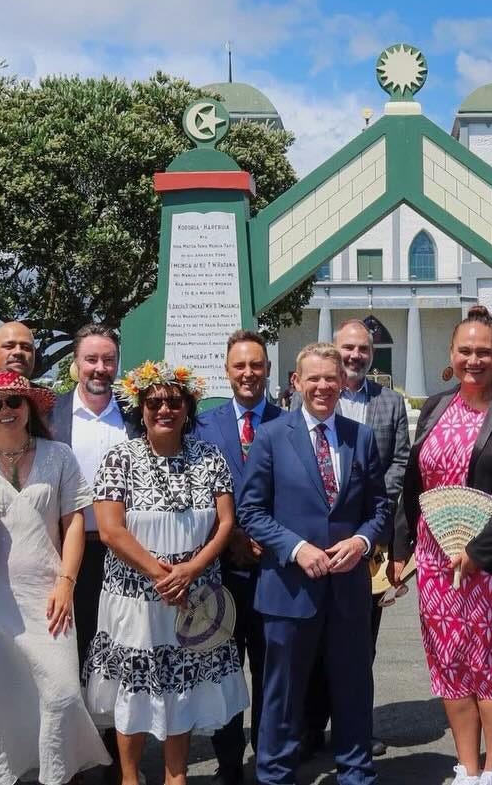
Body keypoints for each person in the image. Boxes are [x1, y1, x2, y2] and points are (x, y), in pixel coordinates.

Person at [0, 371, 108, 785]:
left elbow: (75, 523)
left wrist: (66, 581)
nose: (5, 411)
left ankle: (55, 777)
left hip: (47, 598)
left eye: (14, 402)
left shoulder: (59, 455)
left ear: (29, 407)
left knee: (62, 695)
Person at [392, 307, 492, 785]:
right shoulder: (437, 406)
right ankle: (468, 766)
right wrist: (401, 547)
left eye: (483, 351)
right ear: (451, 354)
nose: (473, 359)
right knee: (451, 662)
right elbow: (414, 482)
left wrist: (479, 549)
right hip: (438, 560)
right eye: (465, 351)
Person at [82, 361, 247, 785]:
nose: (164, 410)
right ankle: (130, 777)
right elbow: (110, 530)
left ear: (188, 408)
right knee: (134, 690)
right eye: (154, 402)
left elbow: (225, 522)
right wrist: (163, 574)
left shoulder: (209, 456)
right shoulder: (119, 458)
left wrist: (190, 570)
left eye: (174, 402)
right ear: (141, 408)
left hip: (195, 595)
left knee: (182, 687)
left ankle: (177, 776)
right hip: (135, 600)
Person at [237, 342, 390, 785]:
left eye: (331, 377)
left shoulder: (359, 436)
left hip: (347, 591)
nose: (323, 386)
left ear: (343, 382)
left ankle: (357, 774)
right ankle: (274, 775)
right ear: (296, 382)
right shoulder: (270, 436)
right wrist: (295, 547)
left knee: (353, 690)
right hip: (289, 588)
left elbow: (378, 507)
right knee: (282, 696)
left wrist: (362, 542)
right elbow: (250, 512)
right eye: (314, 378)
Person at [298, 319, 410, 758]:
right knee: (313, 638)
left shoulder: (390, 404)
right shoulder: (310, 398)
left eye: (364, 349)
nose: (355, 356)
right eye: (348, 347)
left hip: (368, 541)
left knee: (361, 642)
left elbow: (400, 461)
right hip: (315, 541)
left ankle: (355, 730)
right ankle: (309, 728)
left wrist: (369, 512)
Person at [194, 330, 284, 785]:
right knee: (225, 672)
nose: (248, 374)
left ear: (267, 368)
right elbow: (193, 496)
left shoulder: (290, 422)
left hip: (274, 574)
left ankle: (268, 763)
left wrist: (272, 540)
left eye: (256, 365)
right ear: (227, 371)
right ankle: (229, 764)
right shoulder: (203, 426)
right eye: (239, 366)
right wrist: (228, 539)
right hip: (221, 573)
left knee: (271, 675)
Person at [48, 323, 134, 671]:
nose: (100, 368)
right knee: (72, 648)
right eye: (91, 359)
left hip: (126, 552)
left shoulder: (135, 415)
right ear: (76, 362)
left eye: (108, 360)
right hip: (67, 551)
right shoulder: (50, 417)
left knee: (121, 646)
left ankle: (118, 727)